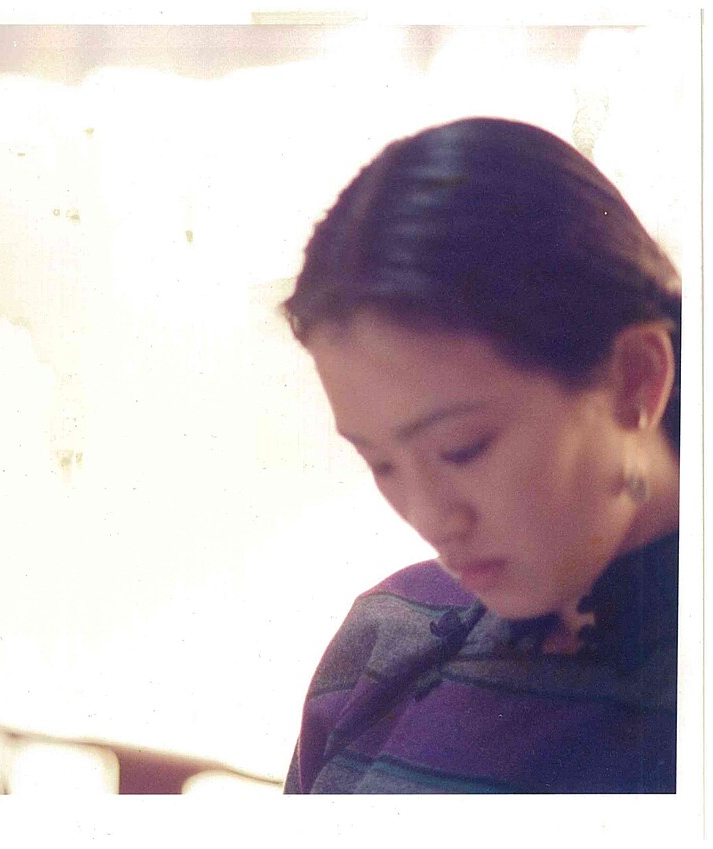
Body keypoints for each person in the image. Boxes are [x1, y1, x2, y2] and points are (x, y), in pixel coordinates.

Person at [280, 117, 680, 793]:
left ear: (634, 380)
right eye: (381, 463)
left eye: (461, 448)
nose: (430, 519)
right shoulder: (386, 634)